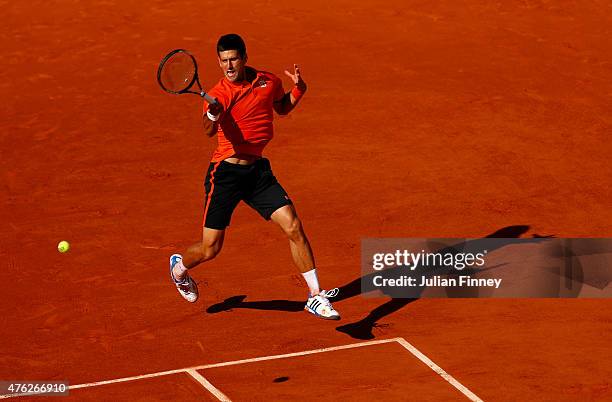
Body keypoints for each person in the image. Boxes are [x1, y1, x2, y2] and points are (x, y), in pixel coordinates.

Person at [168, 34, 340, 320]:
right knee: (211, 249)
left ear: (245, 57)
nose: (229, 66)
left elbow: (281, 107)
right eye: (224, 61)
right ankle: (178, 269)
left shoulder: (268, 81)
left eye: (234, 59)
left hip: (257, 171)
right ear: (218, 62)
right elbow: (208, 131)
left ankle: (315, 295)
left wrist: (299, 90)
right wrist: (213, 116)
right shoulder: (218, 95)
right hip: (225, 174)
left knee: (293, 226)